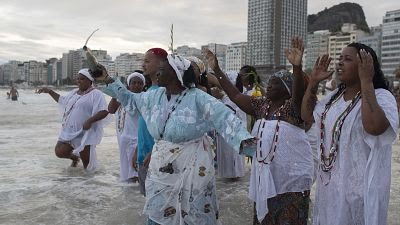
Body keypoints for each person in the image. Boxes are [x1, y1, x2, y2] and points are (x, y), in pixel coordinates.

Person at [94, 53, 253, 225]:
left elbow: (226, 120)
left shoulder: (198, 97)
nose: (157, 74)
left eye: (162, 70)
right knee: (158, 214)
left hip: (193, 169)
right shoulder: (154, 96)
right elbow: (129, 99)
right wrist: (107, 78)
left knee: (193, 215)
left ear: (177, 74)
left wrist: (253, 147)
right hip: (160, 170)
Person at [205, 36, 314, 225]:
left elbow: (298, 96)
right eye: (269, 81)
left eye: (276, 83)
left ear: (287, 89)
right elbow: (236, 94)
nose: (269, 85)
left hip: (290, 183)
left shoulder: (293, 109)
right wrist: (217, 70)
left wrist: (296, 67)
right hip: (266, 178)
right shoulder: (261, 106)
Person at [301, 43, 399, 225]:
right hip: (330, 190)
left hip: (360, 193)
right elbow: (307, 117)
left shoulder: (382, 96)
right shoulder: (333, 98)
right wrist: (313, 83)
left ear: (365, 66)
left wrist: (366, 81)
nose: (340, 64)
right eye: (339, 59)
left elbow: (375, 127)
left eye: (347, 59)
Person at [37, 68, 109, 170]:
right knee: (59, 151)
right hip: (69, 131)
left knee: (87, 167)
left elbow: (104, 111)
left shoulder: (96, 94)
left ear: (89, 80)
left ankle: (90, 184)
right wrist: (49, 91)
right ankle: (75, 159)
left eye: (82, 79)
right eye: (78, 79)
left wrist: (90, 121)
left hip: (84, 133)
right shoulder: (74, 92)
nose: (78, 81)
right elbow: (62, 100)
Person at [131, 48, 167, 196]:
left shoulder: (165, 91)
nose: (143, 64)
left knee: (161, 205)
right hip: (143, 156)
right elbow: (145, 126)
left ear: (162, 64)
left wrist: (154, 152)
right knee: (148, 202)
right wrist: (137, 150)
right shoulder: (148, 92)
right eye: (143, 61)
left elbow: (167, 126)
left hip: (158, 157)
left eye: (147, 61)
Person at [108, 72, 145, 182]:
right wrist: (117, 93)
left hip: (136, 141)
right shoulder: (123, 98)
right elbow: (111, 110)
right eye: (134, 83)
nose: (137, 85)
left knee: (135, 175)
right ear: (128, 85)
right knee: (126, 175)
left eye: (140, 83)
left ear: (143, 85)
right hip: (124, 141)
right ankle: (130, 199)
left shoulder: (143, 99)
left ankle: (135, 198)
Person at [210, 72, 247, 179]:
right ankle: (228, 174)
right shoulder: (224, 96)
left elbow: (234, 111)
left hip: (234, 131)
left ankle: (235, 174)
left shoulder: (238, 95)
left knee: (233, 153)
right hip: (224, 131)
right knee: (226, 153)